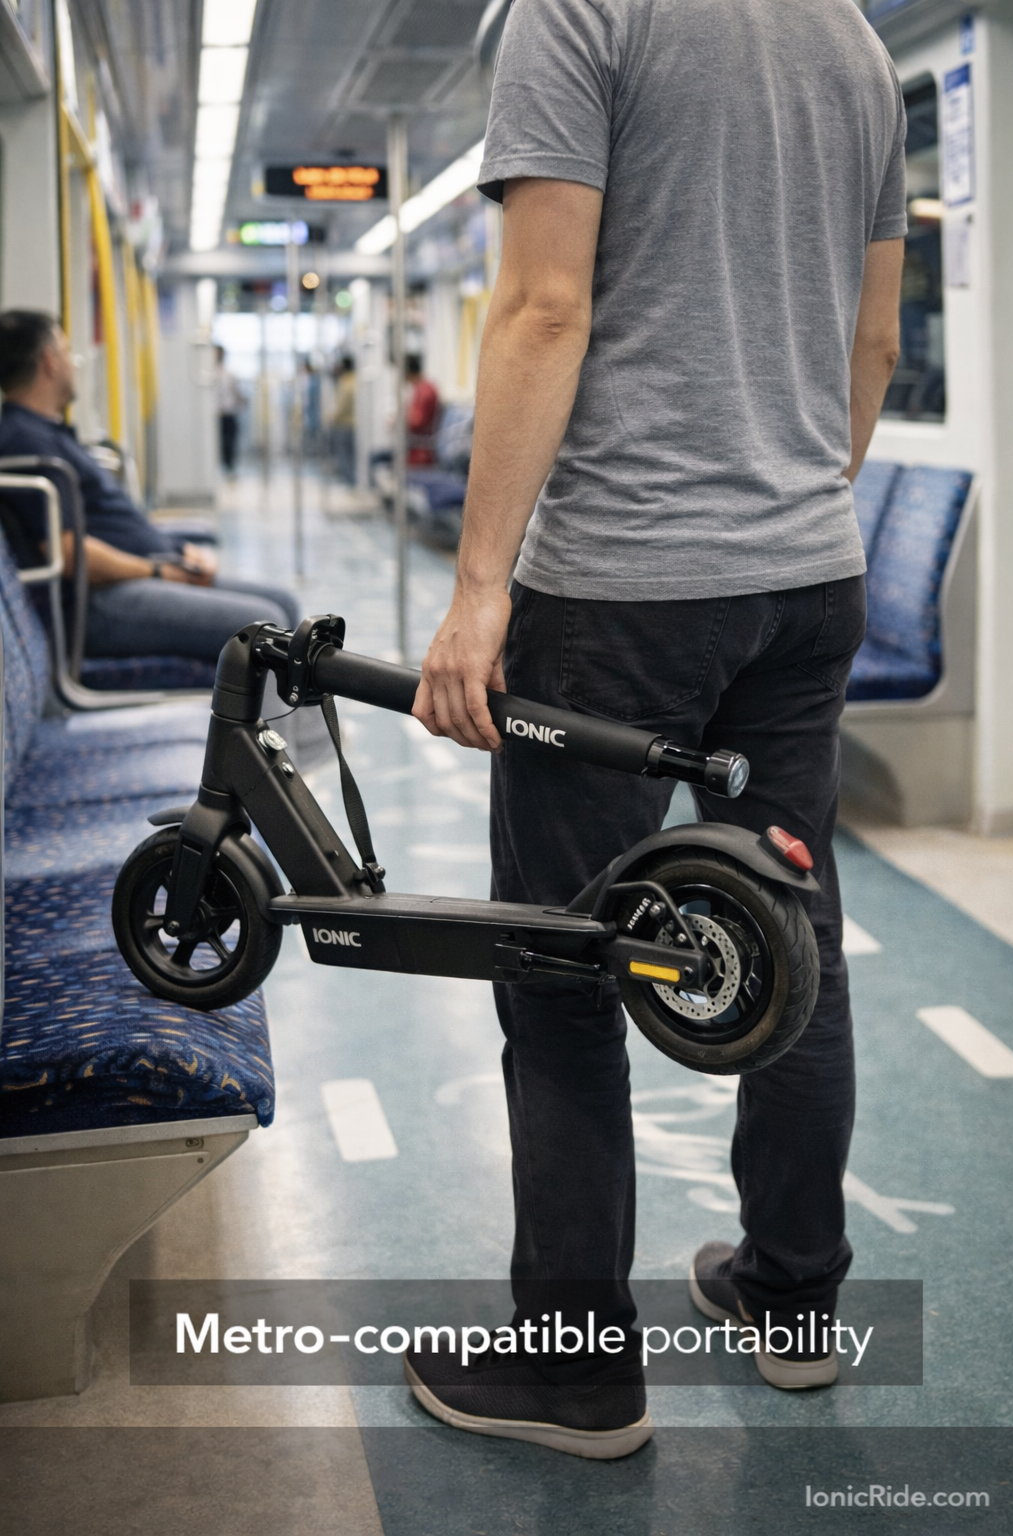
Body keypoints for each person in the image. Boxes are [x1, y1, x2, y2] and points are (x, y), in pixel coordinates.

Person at [408, 0, 906, 1460]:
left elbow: (546, 306)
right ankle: (794, 1300)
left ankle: (573, 1371)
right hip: (808, 582)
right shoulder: (856, 44)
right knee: (786, 931)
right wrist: (788, 515)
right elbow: (872, 343)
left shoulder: (581, 11)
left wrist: (481, 589)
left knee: (562, 964)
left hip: (623, 590)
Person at [0, 311, 300, 661]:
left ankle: (287, 716)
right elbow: (68, 552)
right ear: (49, 362)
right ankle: (273, 717)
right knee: (268, 628)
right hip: (101, 600)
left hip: (136, 577)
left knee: (285, 604)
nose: (75, 362)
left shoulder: (46, 431)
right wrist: (161, 571)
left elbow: (111, 524)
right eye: (67, 351)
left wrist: (177, 551)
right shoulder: (27, 441)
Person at [213, 344, 244, 475]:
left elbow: (236, 392)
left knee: (230, 443)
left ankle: (230, 468)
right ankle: (216, 468)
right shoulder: (208, 373)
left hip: (228, 413)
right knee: (216, 443)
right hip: (214, 415)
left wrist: (241, 401)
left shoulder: (229, 374)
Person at [405, 354, 441, 465]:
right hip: (419, 444)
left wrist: (400, 419)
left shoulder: (423, 391)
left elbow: (417, 421)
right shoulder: (425, 387)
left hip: (422, 450)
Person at [332, 356, 356, 484]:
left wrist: (332, 417)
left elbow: (342, 407)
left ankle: (349, 481)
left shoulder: (345, 383)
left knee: (344, 455)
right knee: (353, 455)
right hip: (356, 424)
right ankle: (353, 480)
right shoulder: (357, 381)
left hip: (345, 424)